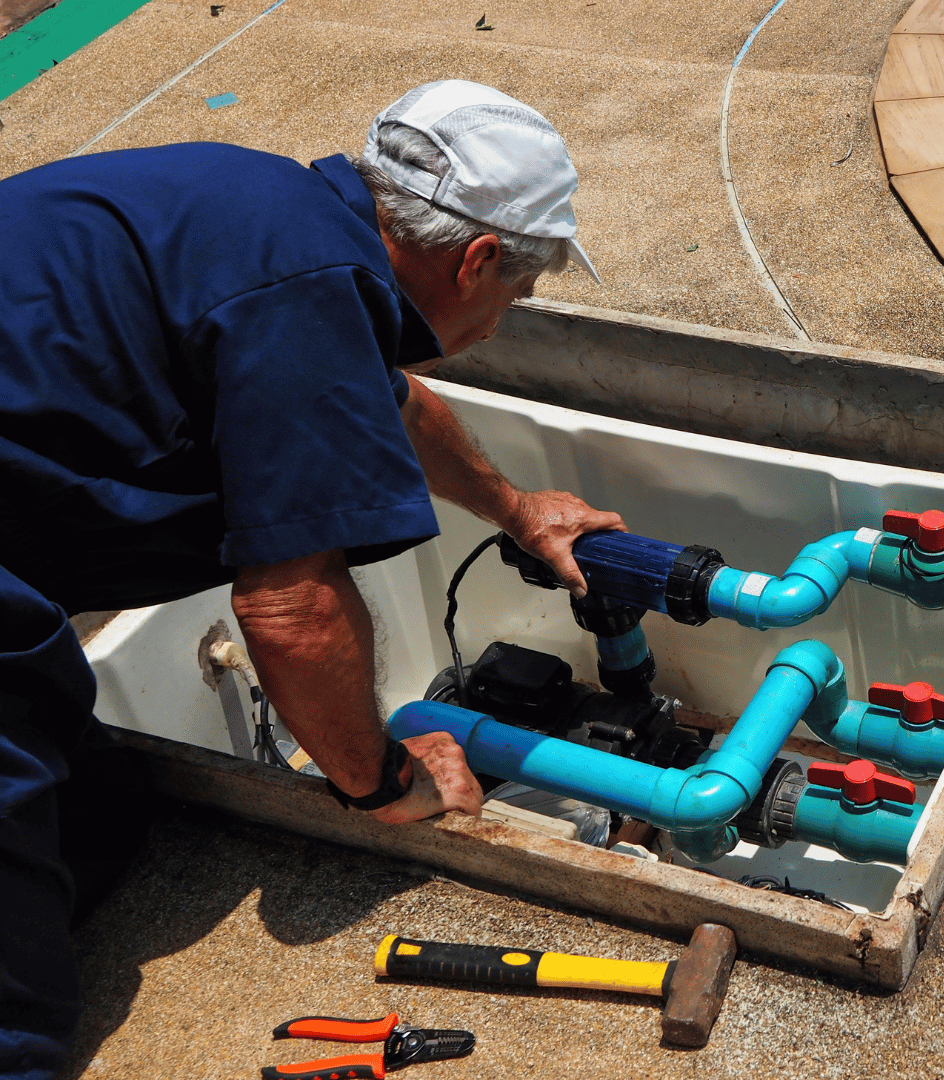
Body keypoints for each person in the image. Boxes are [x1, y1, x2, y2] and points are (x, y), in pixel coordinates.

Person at [0, 80, 622, 1079]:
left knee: (98, 826)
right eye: (524, 287)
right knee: (15, 1007)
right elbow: (288, 609)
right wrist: (379, 783)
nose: (514, 314)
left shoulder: (266, 210)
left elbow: (393, 403)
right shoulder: (305, 287)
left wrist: (517, 509)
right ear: (478, 259)